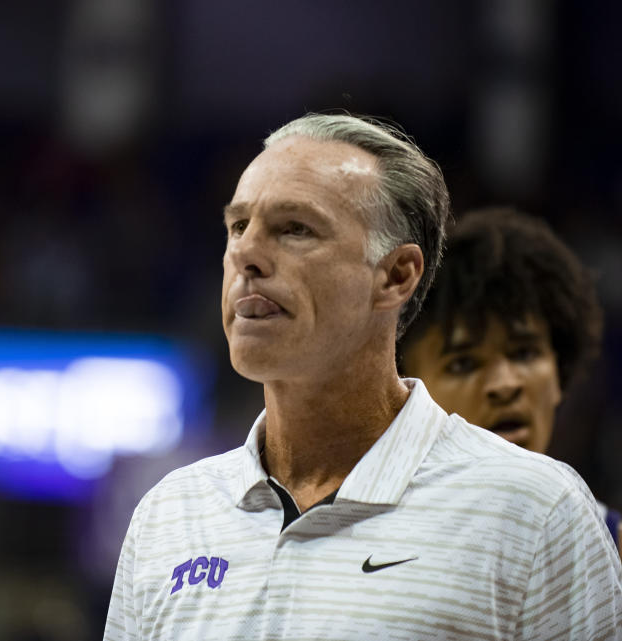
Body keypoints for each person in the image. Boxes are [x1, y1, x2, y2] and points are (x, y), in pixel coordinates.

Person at [103, 113, 622, 640]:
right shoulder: (168, 514)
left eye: (295, 229)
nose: (247, 255)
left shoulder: (534, 511)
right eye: (238, 226)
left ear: (396, 276)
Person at [398, 207, 621, 551]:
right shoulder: (367, 550)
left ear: (560, 373)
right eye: (464, 364)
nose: (505, 385)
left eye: (524, 354)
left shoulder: (613, 549)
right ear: (404, 389)